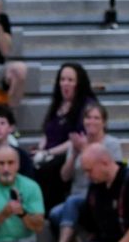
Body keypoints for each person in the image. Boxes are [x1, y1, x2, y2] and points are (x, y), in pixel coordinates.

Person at [50, 102, 122, 242]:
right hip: (76, 195)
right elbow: (65, 177)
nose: (92, 121)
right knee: (55, 214)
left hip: (99, 197)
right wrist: (75, 153)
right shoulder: (76, 142)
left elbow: (113, 176)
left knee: (72, 202)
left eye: (96, 118)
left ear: (104, 122)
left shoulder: (112, 144)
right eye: (88, 117)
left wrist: (84, 150)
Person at [32, 62, 96, 210]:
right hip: (49, 151)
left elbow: (75, 139)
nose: (65, 84)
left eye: (70, 80)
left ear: (79, 83)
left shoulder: (86, 105)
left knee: (47, 169)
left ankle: (47, 210)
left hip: (70, 152)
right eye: (62, 79)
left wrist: (48, 152)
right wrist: (40, 149)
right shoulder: (57, 104)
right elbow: (47, 132)